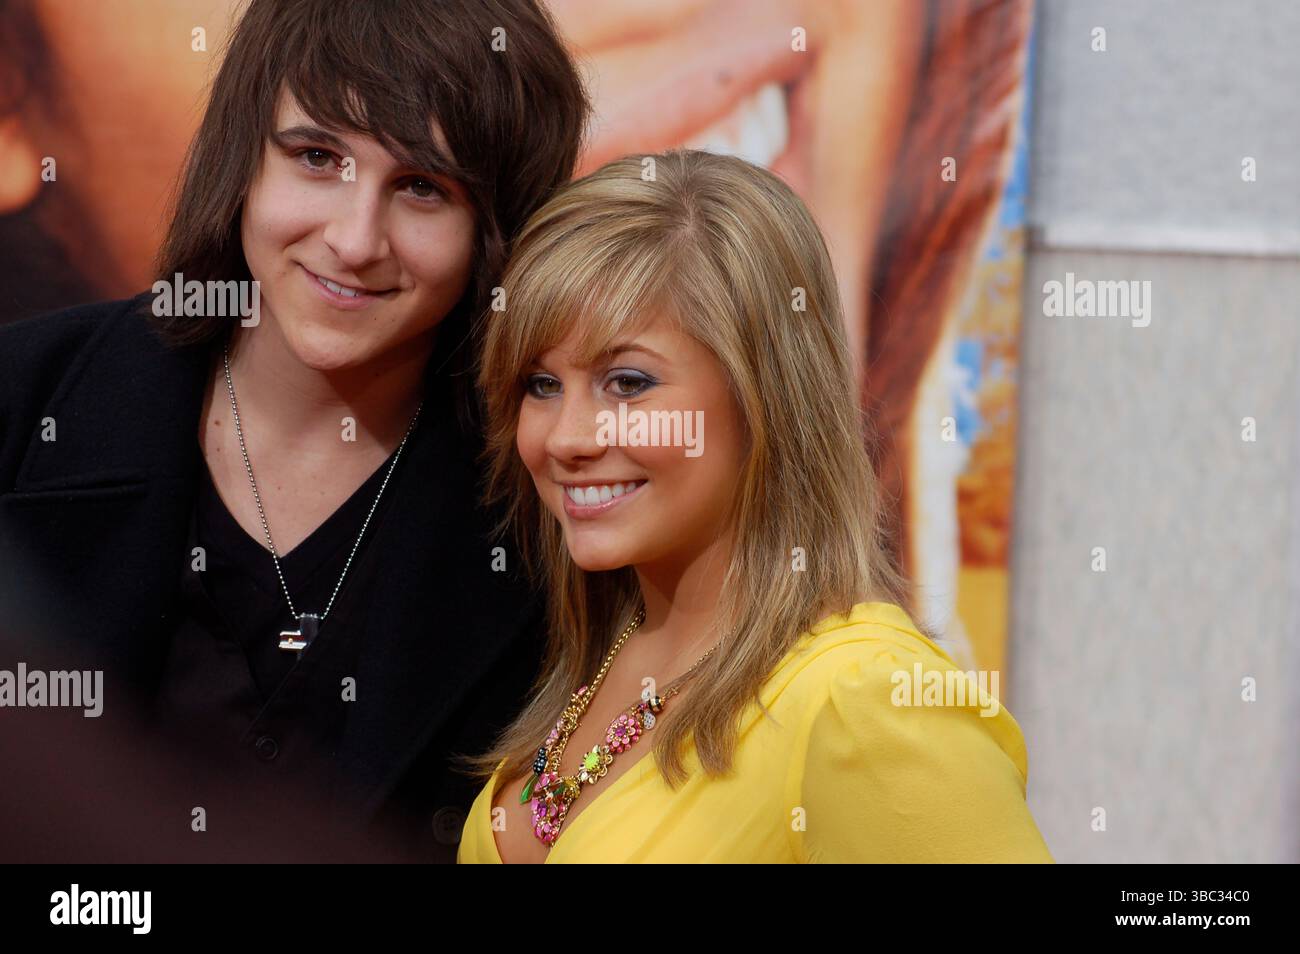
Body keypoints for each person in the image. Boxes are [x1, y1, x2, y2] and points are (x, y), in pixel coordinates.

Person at [0, 0, 588, 862]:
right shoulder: (21, 401)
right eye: (318, 157)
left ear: (493, 234)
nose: (354, 241)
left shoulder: (548, 524)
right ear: (243, 160)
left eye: (423, 187)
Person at [457, 149, 1053, 862]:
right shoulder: (607, 646)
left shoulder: (867, 697)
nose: (566, 439)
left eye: (627, 382)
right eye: (540, 385)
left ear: (763, 393)